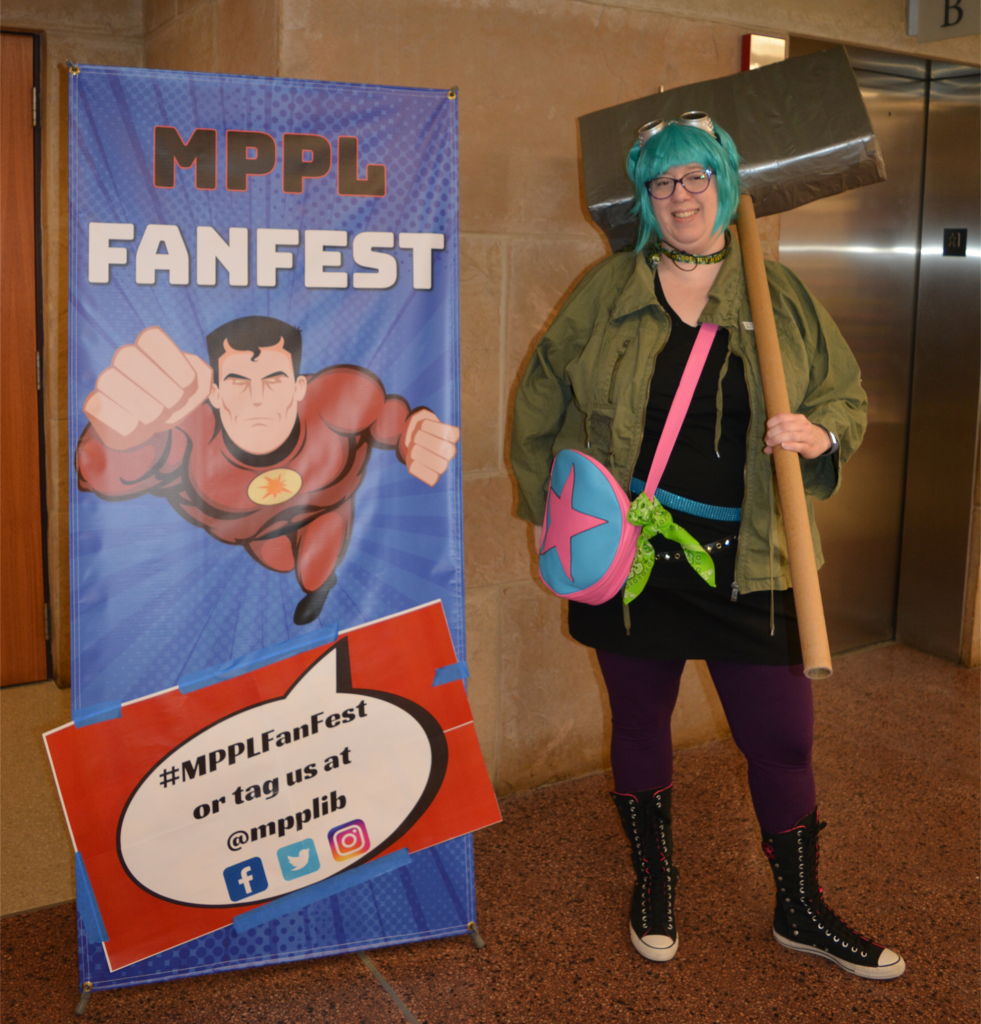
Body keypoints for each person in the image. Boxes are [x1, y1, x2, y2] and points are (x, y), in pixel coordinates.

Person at [510, 114, 905, 979]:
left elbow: (846, 394)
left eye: (694, 179)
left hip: (753, 559)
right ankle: (654, 883)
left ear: (724, 186)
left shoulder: (780, 293)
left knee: (783, 740)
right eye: (661, 184)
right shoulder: (608, 290)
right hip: (632, 556)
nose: (679, 197)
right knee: (641, 725)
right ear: (645, 201)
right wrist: (546, 501)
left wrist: (819, 436)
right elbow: (541, 390)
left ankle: (799, 908)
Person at [77, 315, 459, 625]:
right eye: (238, 381)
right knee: (281, 559)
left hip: (325, 504)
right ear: (215, 393)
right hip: (253, 530)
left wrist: (414, 431)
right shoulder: (189, 439)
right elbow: (108, 469)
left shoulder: (336, 404)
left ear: (299, 387)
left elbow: (382, 413)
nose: (257, 398)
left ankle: (320, 584)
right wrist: (123, 431)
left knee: (313, 570)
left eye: (273, 380)